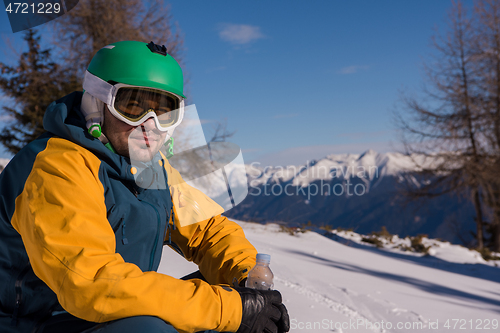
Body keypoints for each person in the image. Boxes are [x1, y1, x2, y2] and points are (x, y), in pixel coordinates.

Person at [0, 41, 290, 333]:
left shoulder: (153, 169)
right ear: (96, 103)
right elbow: (91, 283)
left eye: (164, 113)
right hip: (37, 323)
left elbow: (207, 230)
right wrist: (228, 309)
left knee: (219, 302)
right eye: (132, 107)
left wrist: (245, 277)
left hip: (109, 316)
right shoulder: (57, 167)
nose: (150, 125)